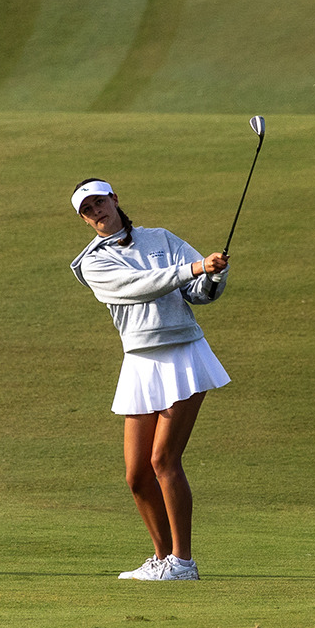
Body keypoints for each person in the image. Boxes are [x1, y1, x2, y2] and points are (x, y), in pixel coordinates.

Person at [68, 178, 231, 580]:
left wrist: (212, 275)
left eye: (99, 202)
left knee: (164, 460)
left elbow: (200, 292)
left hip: (184, 354)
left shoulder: (161, 238)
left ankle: (183, 561)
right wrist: (195, 267)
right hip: (140, 362)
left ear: (115, 199)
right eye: (87, 209)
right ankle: (162, 559)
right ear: (84, 220)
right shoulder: (92, 263)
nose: (96, 211)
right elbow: (139, 287)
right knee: (137, 474)